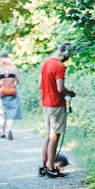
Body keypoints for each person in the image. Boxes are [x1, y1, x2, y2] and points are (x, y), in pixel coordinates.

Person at [39, 42, 74, 177]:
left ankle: (43, 166)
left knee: (48, 135)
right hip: (56, 104)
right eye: (69, 56)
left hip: (46, 104)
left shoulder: (46, 62)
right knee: (55, 136)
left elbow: (39, 85)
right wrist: (70, 93)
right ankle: (51, 168)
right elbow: (60, 88)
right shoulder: (59, 66)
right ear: (65, 53)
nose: (68, 59)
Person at [0, 49, 22, 140]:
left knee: (2, 112)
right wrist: (12, 85)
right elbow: (18, 81)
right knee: (11, 112)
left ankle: (3, 132)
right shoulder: (13, 68)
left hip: (1, 93)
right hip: (12, 93)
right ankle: (9, 129)